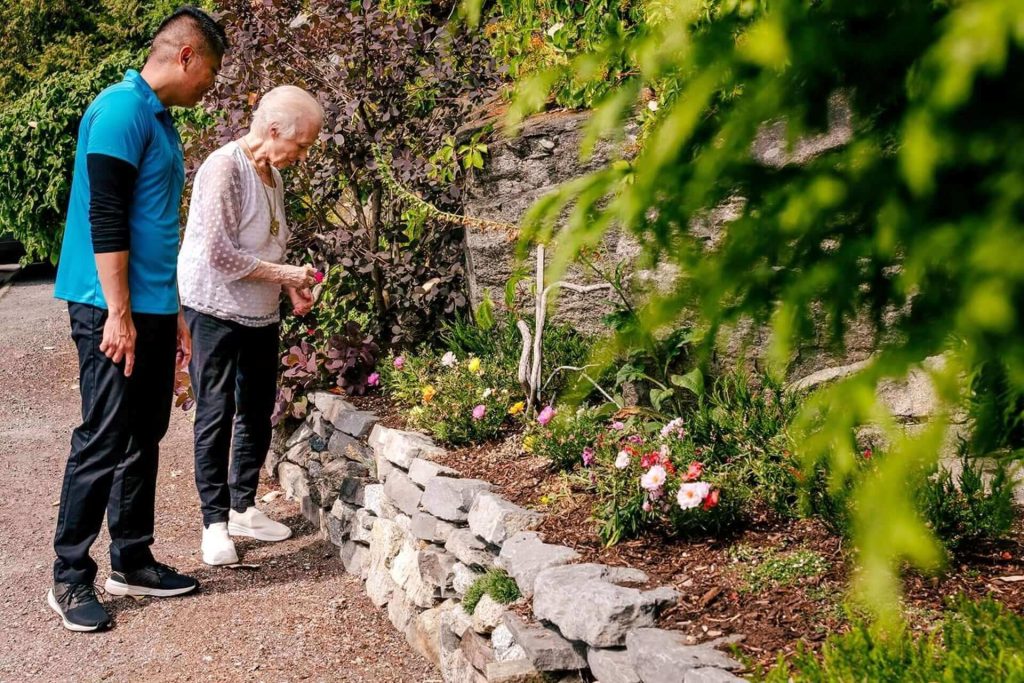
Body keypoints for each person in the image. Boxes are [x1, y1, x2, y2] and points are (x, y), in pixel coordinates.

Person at [50, 7, 227, 632]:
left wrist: (171, 310)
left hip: (150, 306)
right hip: (108, 305)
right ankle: (71, 576)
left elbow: (156, 225)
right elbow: (107, 217)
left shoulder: (159, 119)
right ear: (185, 56)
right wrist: (120, 313)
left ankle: (131, 557)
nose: (212, 84)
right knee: (103, 434)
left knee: (144, 431)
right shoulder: (121, 111)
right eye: (211, 70)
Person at [177, 85, 323, 566]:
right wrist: (286, 275)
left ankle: (242, 505)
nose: (303, 155)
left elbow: (268, 248)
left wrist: (289, 287)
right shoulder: (225, 168)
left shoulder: (273, 176)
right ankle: (214, 524)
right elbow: (220, 256)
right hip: (214, 308)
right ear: (274, 129)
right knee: (216, 412)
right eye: (301, 144)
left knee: (258, 410)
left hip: (259, 311)